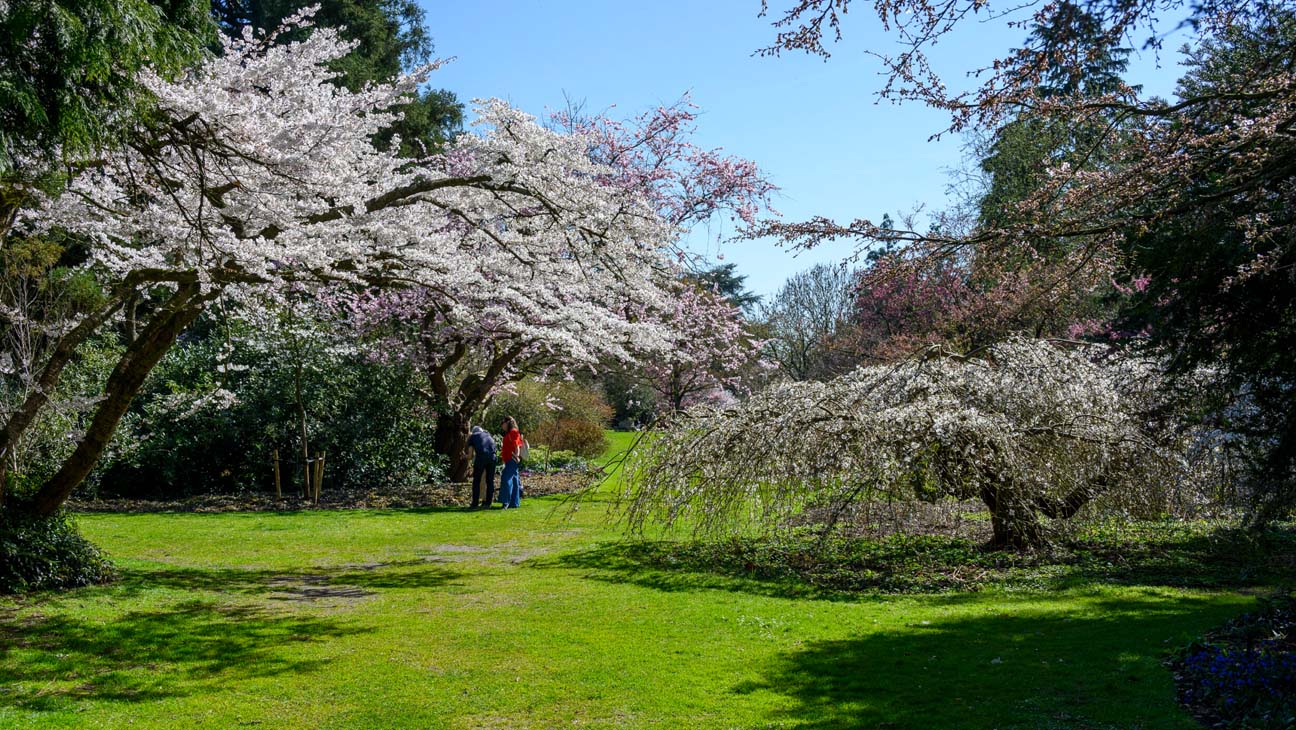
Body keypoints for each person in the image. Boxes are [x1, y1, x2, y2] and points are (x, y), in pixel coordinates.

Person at [466, 425, 496, 509]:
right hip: (493, 457)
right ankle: (488, 503)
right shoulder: (488, 435)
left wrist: (464, 456)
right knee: (490, 481)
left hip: (481, 457)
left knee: (476, 481)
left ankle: (475, 503)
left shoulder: (473, 437)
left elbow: (470, 456)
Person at [498, 416, 524, 509]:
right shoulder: (511, 432)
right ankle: (514, 502)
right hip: (510, 459)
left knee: (506, 479)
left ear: (507, 423)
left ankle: (506, 501)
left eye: (503, 423)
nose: (502, 426)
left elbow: (516, 446)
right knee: (514, 480)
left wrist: (516, 457)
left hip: (511, 459)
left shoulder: (513, 432)